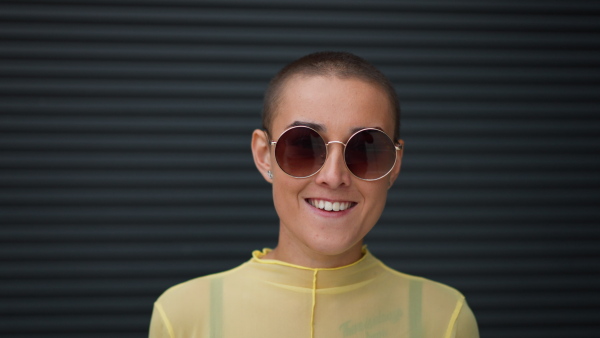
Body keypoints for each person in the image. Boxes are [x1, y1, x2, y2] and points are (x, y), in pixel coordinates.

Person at [149, 51, 479, 338]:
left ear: (394, 165)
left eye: (366, 149)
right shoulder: (184, 315)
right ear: (264, 155)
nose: (333, 177)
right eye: (304, 145)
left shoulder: (444, 317)